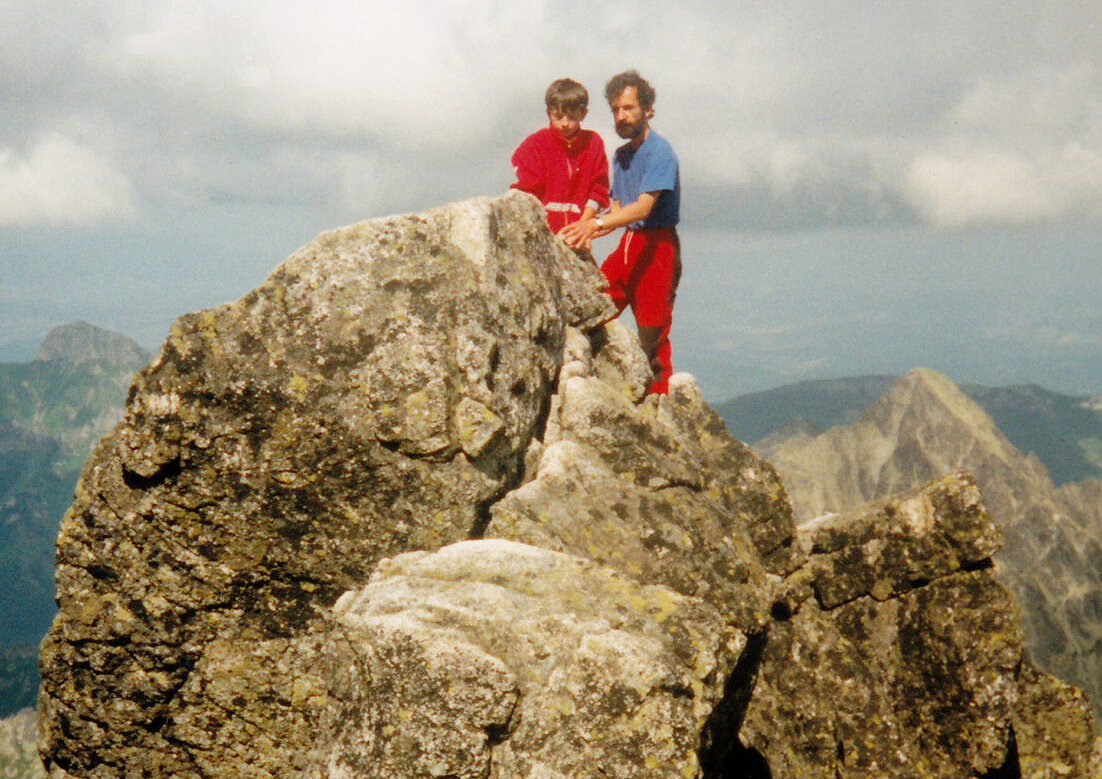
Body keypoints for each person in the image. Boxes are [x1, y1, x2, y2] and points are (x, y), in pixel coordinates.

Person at [560, 70, 681, 395]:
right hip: (630, 242)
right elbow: (617, 212)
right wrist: (583, 230)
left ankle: (661, 408)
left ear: (647, 109)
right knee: (590, 307)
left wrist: (595, 225)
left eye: (628, 108)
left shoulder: (660, 152)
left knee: (652, 335)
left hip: (658, 248)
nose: (621, 116)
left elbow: (643, 208)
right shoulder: (621, 156)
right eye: (615, 109)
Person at [510, 78, 610, 234]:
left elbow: (598, 190)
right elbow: (527, 192)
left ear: (583, 114)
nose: (565, 123)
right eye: (559, 116)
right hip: (542, 232)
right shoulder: (535, 144)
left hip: (578, 231)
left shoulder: (593, 143)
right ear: (549, 113)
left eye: (571, 117)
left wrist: (583, 227)